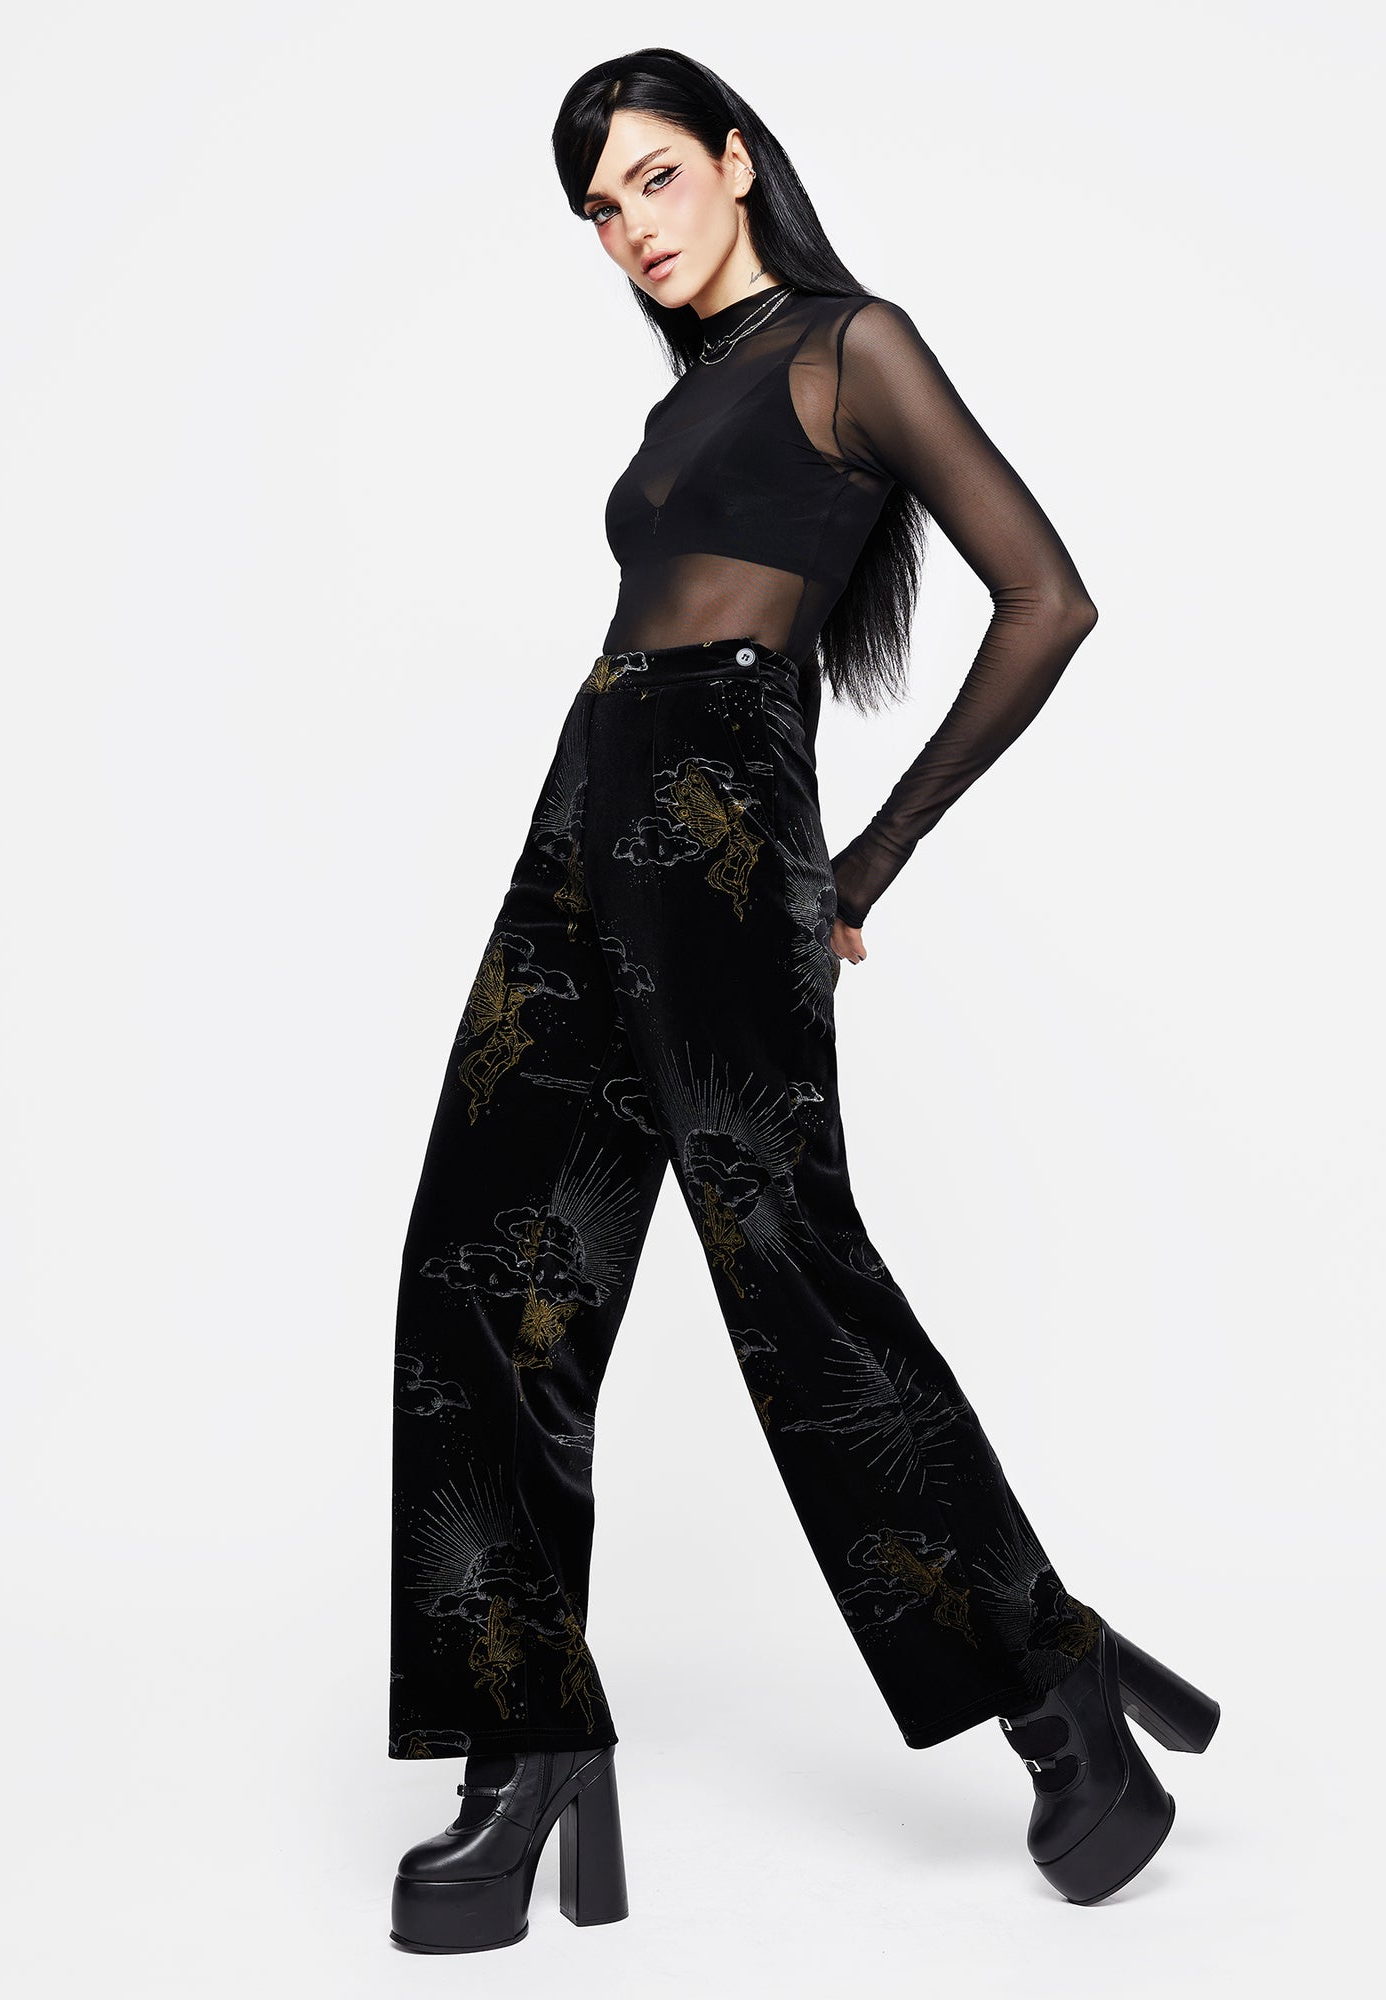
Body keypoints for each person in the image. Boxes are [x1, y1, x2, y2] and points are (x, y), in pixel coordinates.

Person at [386, 47, 1220, 1954]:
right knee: (480, 1265)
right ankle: (522, 1750)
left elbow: (1048, 598)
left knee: (786, 1266)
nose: (634, 230)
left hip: (720, 804)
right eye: (600, 210)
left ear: (738, 159)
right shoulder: (683, 393)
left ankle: (1052, 1685)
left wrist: (869, 861)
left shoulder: (853, 347)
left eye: (657, 179)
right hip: (584, 800)